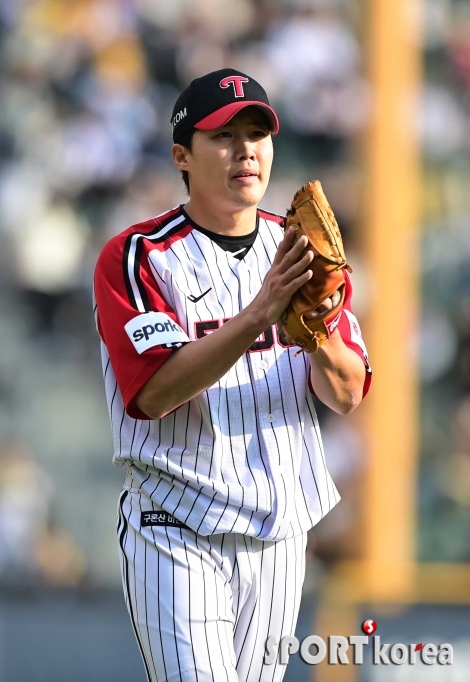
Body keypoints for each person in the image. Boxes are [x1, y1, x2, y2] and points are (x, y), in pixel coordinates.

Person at [93, 68, 371, 682]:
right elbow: (155, 392)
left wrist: (319, 329)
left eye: (257, 133)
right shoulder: (139, 256)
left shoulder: (300, 250)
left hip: (280, 533)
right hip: (177, 526)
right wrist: (260, 313)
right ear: (182, 156)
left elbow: (348, 393)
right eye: (222, 136)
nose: (245, 149)